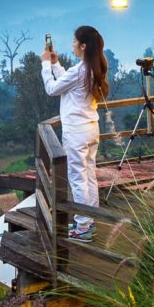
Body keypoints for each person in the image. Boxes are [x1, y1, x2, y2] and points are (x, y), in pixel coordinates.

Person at [41, 25, 110, 242]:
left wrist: (44, 64)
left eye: (74, 41)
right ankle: (88, 222)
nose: (72, 45)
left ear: (83, 46)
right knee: (88, 175)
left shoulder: (80, 70)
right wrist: (55, 63)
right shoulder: (91, 68)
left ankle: (83, 228)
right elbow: (67, 83)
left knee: (78, 178)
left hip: (77, 133)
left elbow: (52, 89)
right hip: (91, 129)